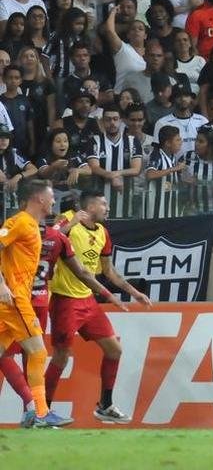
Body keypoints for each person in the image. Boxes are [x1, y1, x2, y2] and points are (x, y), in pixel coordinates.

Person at [46, 191, 152, 424]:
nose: (107, 208)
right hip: (65, 299)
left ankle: (105, 405)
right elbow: (47, 239)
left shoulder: (103, 233)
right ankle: (43, 412)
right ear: (90, 205)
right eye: (103, 203)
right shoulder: (67, 218)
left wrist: (134, 292)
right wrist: (69, 225)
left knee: (114, 350)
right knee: (61, 356)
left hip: (88, 300)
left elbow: (108, 271)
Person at [0, 180, 71, 427]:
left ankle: (36, 411)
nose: (54, 201)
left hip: (16, 299)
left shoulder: (32, 225)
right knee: (38, 352)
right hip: (15, 300)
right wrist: (1, 285)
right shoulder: (18, 222)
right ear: (39, 198)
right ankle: (41, 413)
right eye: (51, 197)